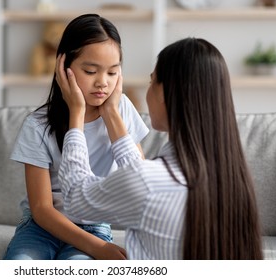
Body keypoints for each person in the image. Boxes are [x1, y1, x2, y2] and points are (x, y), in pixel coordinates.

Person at [57, 37, 263, 259]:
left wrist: (76, 114)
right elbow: (140, 182)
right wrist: (111, 113)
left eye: (152, 82)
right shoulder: (233, 178)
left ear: (165, 94)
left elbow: (76, 199)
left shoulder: (148, 181)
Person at [3, 14, 149, 260]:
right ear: (64, 66)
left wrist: (112, 113)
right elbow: (41, 209)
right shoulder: (37, 125)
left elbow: (141, 179)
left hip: (94, 225)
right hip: (41, 228)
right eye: (91, 71)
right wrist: (77, 113)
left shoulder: (122, 110)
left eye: (113, 73)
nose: (102, 82)